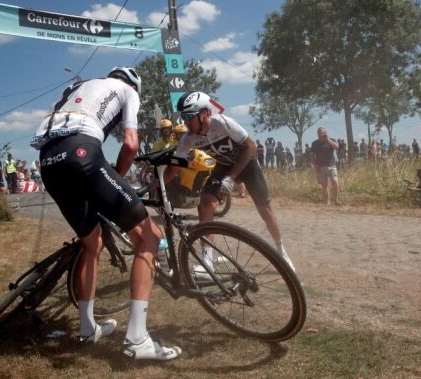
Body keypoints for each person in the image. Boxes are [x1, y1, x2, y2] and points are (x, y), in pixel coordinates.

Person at [30, 67, 181, 360]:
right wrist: (118, 178)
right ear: (135, 86)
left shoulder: (76, 88)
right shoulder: (127, 91)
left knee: (92, 243)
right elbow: (131, 143)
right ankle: (137, 340)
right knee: (150, 237)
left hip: (48, 161)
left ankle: (87, 329)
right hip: (82, 152)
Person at [164, 91, 295, 272]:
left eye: (188, 116)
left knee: (265, 209)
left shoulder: (223, 123)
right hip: (223, 166)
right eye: (182, 117)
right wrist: (156, 186)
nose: (185, 121)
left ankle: (281, 251)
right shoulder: (189, 138)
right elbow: (175, 166)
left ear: (204, 114)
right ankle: (207, 262)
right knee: (205, 205)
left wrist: (232, 178)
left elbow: (251, 146)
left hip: (247, 165)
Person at [310, 127, 340, 206]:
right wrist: (315, 166)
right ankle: (327, 202)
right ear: (317, 134)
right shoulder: (315, 143)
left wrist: (328, 139)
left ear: (326, 133)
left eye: (323, 132)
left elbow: (336, 147)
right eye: (320, 132)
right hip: (320, 166)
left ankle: (336, 199)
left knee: (335, 181)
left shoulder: (331, 140)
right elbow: (312, 156)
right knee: (324, 185)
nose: (321, 134)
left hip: (331, 165)